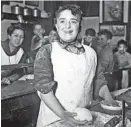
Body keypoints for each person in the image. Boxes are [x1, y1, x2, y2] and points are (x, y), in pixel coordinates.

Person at [34, 5, 115, 127]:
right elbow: (43, 88)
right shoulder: (47, 51)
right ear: (56, 25)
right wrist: (62, 114)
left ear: (80, 26)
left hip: (84, 117)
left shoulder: (91, 53)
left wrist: (109, 99)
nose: (67, 26)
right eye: (62, 21)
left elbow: (99, 81)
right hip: (54, 118)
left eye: (73, 21)